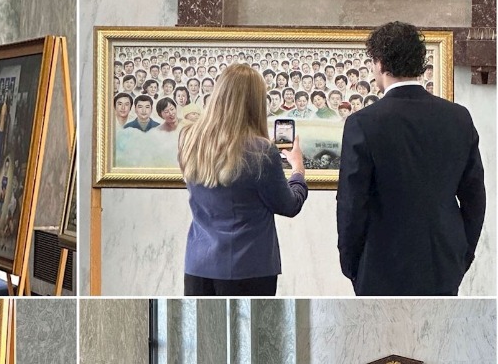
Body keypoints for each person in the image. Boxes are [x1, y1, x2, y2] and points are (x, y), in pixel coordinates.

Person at [337, 22, 485, 295]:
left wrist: (351, 263)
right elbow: (475, 197)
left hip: (379, 263)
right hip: (442, 260)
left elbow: (351, 203)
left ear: (379, 63)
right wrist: (463, 253)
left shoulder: (363, 123)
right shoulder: (458, 118)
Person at [179, 64, 307, 296]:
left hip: (198, 264)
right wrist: (298, 170)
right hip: (249, 267)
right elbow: (289, 205)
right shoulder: (261, 150)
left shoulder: (190, 140)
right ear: (256, 103)